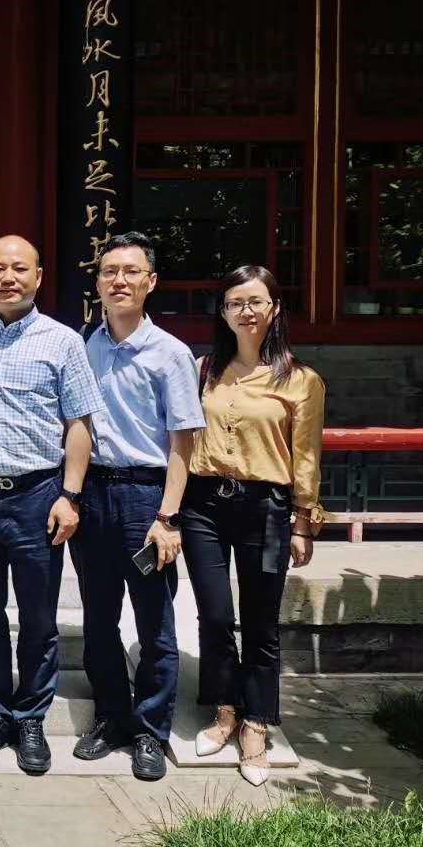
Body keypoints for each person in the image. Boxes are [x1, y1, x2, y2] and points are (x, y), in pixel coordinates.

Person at [0, 235, 105, 776]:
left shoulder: (63, 341)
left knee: (38, 615)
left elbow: (79, 424)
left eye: (19, 269)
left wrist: (70, 495)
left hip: (37, 496)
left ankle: (31, 716)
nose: (7, 278)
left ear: (38, 276)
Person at [181, 265, 325, 786]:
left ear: (274, 308)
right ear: (223, 312)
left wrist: (304, 521)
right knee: (215, 614)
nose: (245, 311)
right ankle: (224, 710)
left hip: (265, 507)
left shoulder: (301, 380)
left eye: (255, 301)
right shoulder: (203, 369)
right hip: (203, 505)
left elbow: (306, 455)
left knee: (261, 620)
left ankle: (257, 722)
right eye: (234, 302)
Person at [69, 233, 204, 782]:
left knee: (154, 622)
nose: (118, 281)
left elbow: (182, 443)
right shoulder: (85, 346)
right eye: (109, 272)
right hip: (93, 494)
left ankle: (151, 729)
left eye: (130, 272)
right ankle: (111, 717)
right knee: (98, 617)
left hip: (146, 497)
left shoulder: (170, 353)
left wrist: (168, 517)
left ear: (150, 282)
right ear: (98, 283)